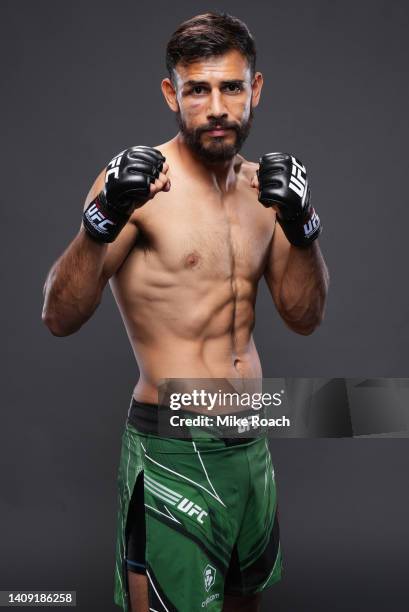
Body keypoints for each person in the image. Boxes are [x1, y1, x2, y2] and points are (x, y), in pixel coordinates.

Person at [42, 11, 329, 612]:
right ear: (173, 93)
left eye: (231, 87)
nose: (217, 107)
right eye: (198, 89)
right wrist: (99, 224)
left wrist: (303, 230)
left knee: (243, 603)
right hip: (173, 447)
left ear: (255, 89)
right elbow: (58, 316)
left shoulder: (264, 191)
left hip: (252, 440)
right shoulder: (139, 186)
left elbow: (304, 316)